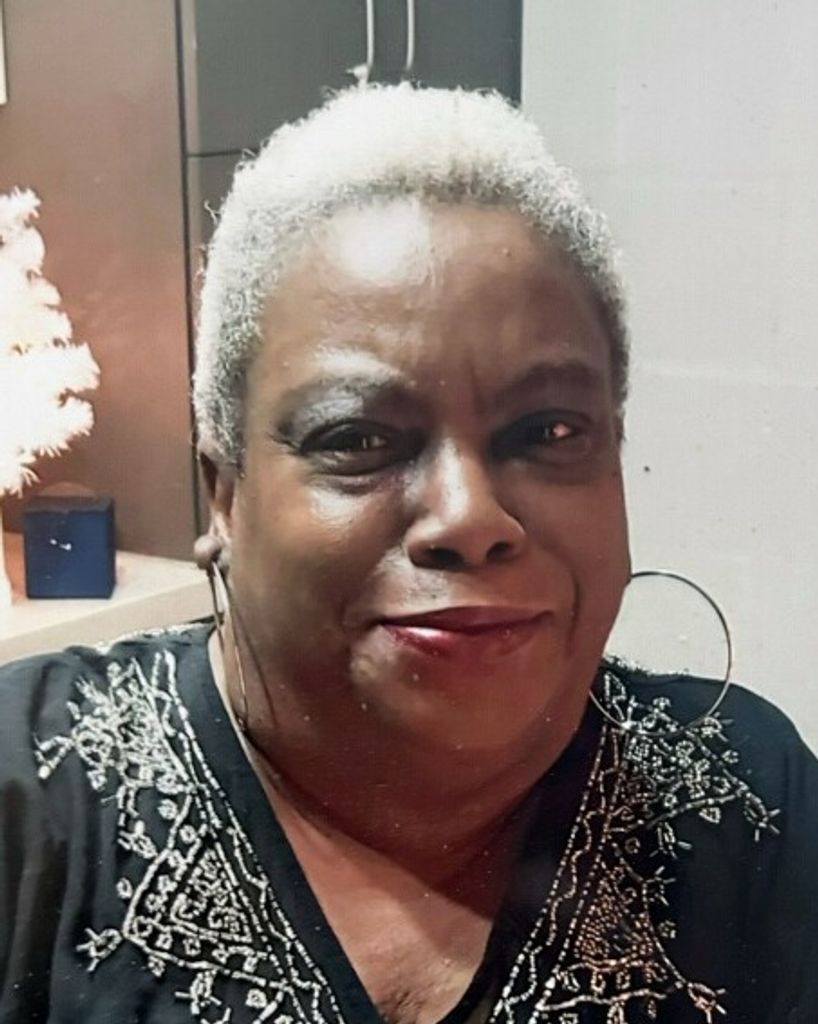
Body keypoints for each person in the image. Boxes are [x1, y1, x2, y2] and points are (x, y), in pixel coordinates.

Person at [1, 84, 816, 1024]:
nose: (470, 517)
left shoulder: (746, 803)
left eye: (550, 430)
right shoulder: (31, 798)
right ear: (224, 494)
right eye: (356, 438)